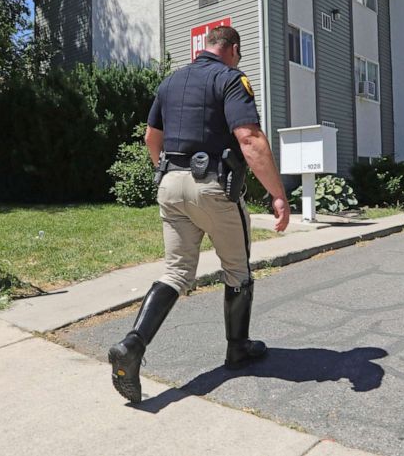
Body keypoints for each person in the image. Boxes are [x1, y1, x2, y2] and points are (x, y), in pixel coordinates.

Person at [108, 25, 290, 403]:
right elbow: (250, 139)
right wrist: (278, 194)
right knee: (237, 270)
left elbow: (150, 138)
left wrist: (167, 172)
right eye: (238, 54)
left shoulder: (170, 82)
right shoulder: (231, 79)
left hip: (170, 185)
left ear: (205, 48)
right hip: (213, 187)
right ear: (232, 50)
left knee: (176, 273)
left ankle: (133, 344)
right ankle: (237, 349)